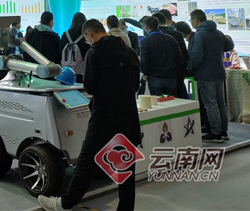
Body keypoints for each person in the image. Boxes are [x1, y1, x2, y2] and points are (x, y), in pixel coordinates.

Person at [38, 19, 140, 211]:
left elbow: (90, 87)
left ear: (90, 34)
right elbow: (135, 85)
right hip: (128, 116)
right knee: (125, 165)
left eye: (87, 38)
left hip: (104, 117)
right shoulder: (129, 51)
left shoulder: (95, 52)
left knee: (85, 162)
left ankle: (64, 204)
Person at [190, 9, 234, 142]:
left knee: (210, 104)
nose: (191, 23)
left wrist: (192, 69)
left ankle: (215, 133)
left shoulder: (199, 35)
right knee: (220, 103)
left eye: (191, 20)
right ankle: (223, 131)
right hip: (219, 72)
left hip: (205, 74)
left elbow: (197, 56)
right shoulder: (218, 32)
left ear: (196, 20)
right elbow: (229, 45)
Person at [174, 20, 210, 132]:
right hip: (203, 73)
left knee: (208, 102)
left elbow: (195, 57)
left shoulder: (195, 38)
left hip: (202, 73)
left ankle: (209, 125)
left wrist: (191, 69)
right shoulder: (193, 38)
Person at [140, 16, 182, 96]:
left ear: (146, 27)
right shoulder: (170, 39)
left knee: (157, 102)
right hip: (171, 77)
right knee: (172, 101)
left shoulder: (146, 41)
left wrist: (145, 73)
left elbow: (144, 60)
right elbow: (179, 57)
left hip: (154, 77)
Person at [152, 12, 189, 98]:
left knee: (159, 101)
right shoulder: (177, 34)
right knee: (177, 99)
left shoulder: (150, 37)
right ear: (165, 20)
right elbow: (183, 54)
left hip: (156, 75)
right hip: (175, 73)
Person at [59, 12, 90, 83]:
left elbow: (60, 50)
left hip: (65, 72)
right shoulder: (85, 36)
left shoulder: (65, 34)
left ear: (73, 21)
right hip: (80, 72)